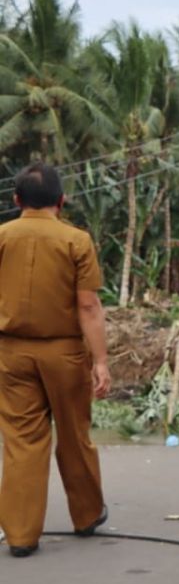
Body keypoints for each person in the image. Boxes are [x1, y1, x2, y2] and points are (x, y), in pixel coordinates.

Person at [0, 163, 110, 558]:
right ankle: (86, 516)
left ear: (16, 201)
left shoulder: (2, 237)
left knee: (21, 441)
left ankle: (21, 536)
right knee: (73, 434)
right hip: (64, 351)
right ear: (61, 202)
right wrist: (100, 362)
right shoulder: (76, 241)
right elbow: (88, 305)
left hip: (10, 352)